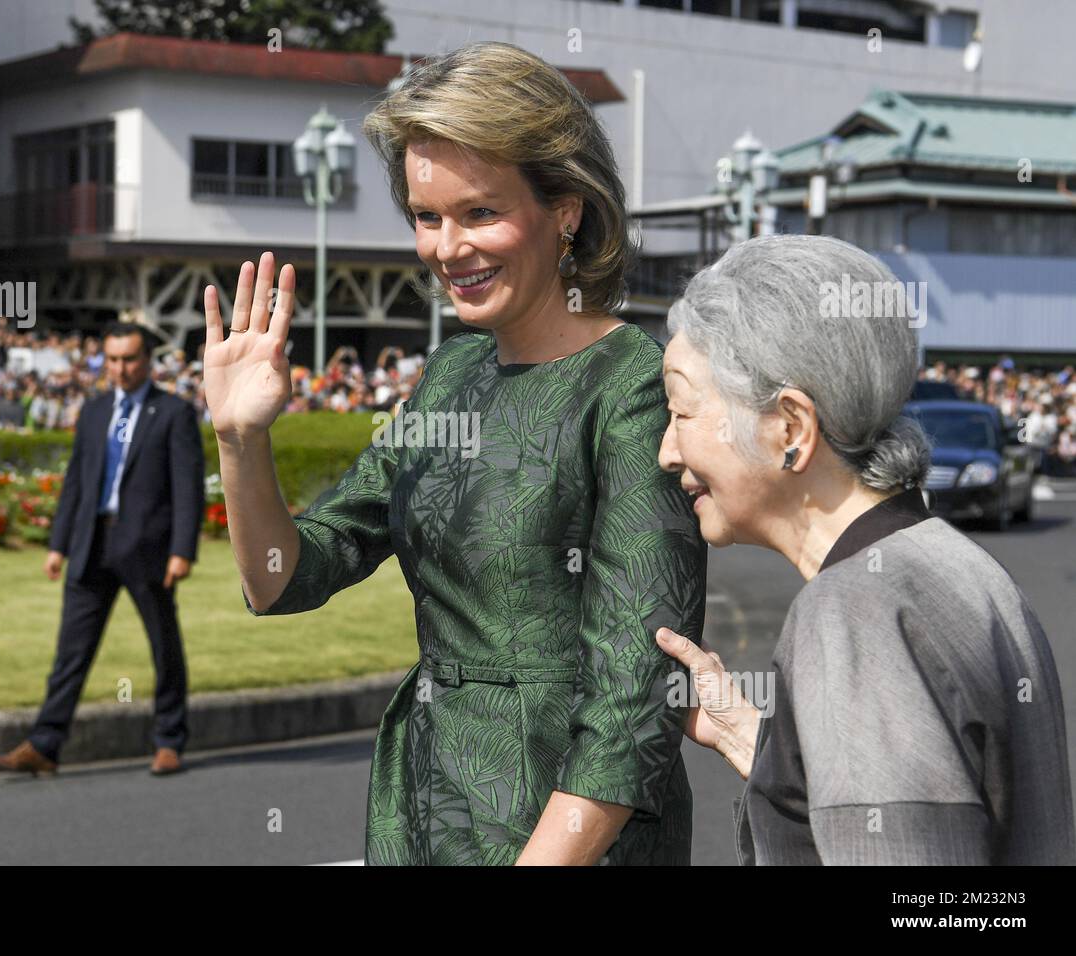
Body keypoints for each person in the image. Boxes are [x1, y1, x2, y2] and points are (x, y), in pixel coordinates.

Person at [203, 41, 706, 865]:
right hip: (426, 806)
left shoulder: (633, 385)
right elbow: (285, 576)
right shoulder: (452, 373)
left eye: (479, 213)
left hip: (574, 832)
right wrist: (241, 441)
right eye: (427, 218)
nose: (446, 248)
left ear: (567, 208)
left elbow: (637, 694)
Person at [654, 234, 1075, 864]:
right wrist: (759, 744)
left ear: (790, 428)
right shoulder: (951, 563)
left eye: (682, 414)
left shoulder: (859, 610)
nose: (666, 452)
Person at [0, 323, 205, 777]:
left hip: (147, 547)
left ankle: (169, 741)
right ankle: (45, 743)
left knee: (163, 646)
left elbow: (188, 487)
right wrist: (58, 544)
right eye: (112, 359)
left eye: (128, 359)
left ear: (147, 361)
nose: (119, 369)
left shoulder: (172, 413)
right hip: (92, 543)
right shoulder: (93, 410)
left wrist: (182, 549)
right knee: (71, 652)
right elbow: (76, 483)